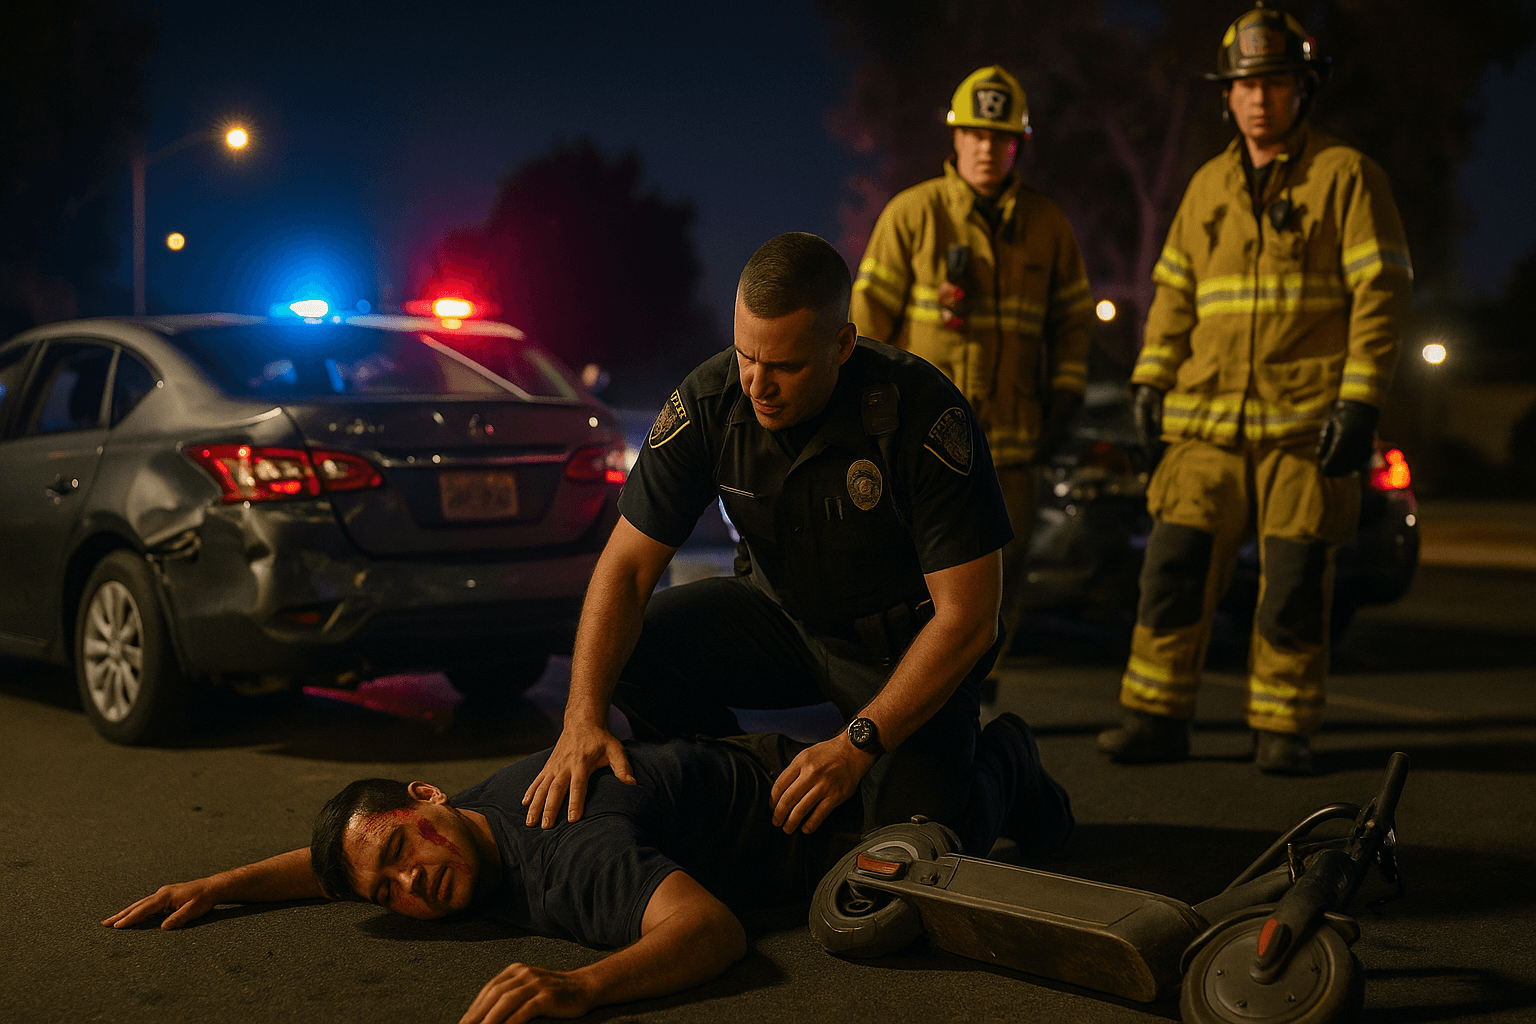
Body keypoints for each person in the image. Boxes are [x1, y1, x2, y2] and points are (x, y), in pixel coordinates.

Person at [524, 231, 1072, 848]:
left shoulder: (921, 413)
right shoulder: (710, 401)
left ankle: (1007, 765)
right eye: (746, 357)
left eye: (785, 366)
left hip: (901, 648)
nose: (759, 384)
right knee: (637, 648)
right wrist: (581, 719)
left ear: (842, 344)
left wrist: (855, 745)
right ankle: (741, 788)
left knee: (908, 846)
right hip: (781, 619)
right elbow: (623, 570)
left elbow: (970, 618)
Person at [105, 722, 1062, 1024]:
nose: (407, 888)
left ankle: (1006, 758)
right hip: (737, 766)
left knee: (939, 853)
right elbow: (340, 866)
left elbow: (714, 933)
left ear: (426, 802)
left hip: (836, 818)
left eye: (402, 854)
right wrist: (218, 883)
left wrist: (576, 985)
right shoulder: (467, 810)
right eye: (384, 892)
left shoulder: (570, 859)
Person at [1098, 3, 1412, 774]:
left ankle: (1284, 728)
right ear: (1227, 96)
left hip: (1305, 430)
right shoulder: (1206, 188)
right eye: (1247, 85)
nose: (1261, 98)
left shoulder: (1347, 177)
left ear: (1303, 89)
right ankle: (1156, 717)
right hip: (1205, 428)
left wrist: (1360, 398)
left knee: (1297, 586)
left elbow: (1383, 294)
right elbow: (1172, 296)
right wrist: (1149, 380)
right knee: (1170, 570)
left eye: (1276, 82)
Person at [848, 65, 1096, 675]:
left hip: (1012, 451)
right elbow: (866, 325)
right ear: (955, 139)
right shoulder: (913, 216)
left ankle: (974, 701)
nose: (988, 148)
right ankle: (908, 700)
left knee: (999, 591)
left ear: (1019, 145)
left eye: (1002, 137)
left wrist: (1066, 394)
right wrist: (873, 418)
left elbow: (1071, 324)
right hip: (921, 451)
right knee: (913, 583)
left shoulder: (1047, 227)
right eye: (977, 134)